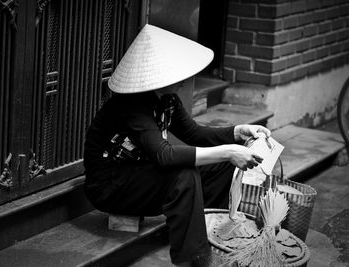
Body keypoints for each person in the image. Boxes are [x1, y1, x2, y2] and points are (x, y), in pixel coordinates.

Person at [83, 24, 270, 266]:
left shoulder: (167, 99)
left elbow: (194, 133)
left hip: (139, 174)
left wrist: (237, 132)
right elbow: (164, 155)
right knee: (184, 176)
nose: (184, 81)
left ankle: (210, 232)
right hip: (111, 185)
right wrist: (229, 151)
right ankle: (194, 259)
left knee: (221, 165)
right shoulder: (131, 105)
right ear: (160, 76)